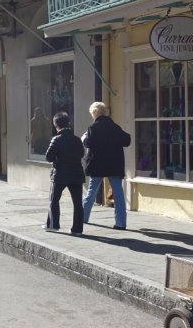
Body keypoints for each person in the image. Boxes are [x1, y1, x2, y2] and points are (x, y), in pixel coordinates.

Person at [81, 101, 131, 230]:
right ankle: (121, 223)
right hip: (114, 164)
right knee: (118, 192)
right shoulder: (114, 126)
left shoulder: (93, 127)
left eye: (92, 113)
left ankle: (83, 217)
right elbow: (127, 140)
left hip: (97, 164)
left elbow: (88, 144)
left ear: (95, 113)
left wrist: (84, 139)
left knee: (92, 191)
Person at [45, 111, 85, 235]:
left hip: (60, 174)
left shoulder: (56, 139)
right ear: (69, 123)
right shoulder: (77, 139)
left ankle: (53, 225)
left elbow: (48, 157)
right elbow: (82, 154)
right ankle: (77, 229)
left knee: (54, 200)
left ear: (56, 125)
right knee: (78, 202)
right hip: (76, 174)